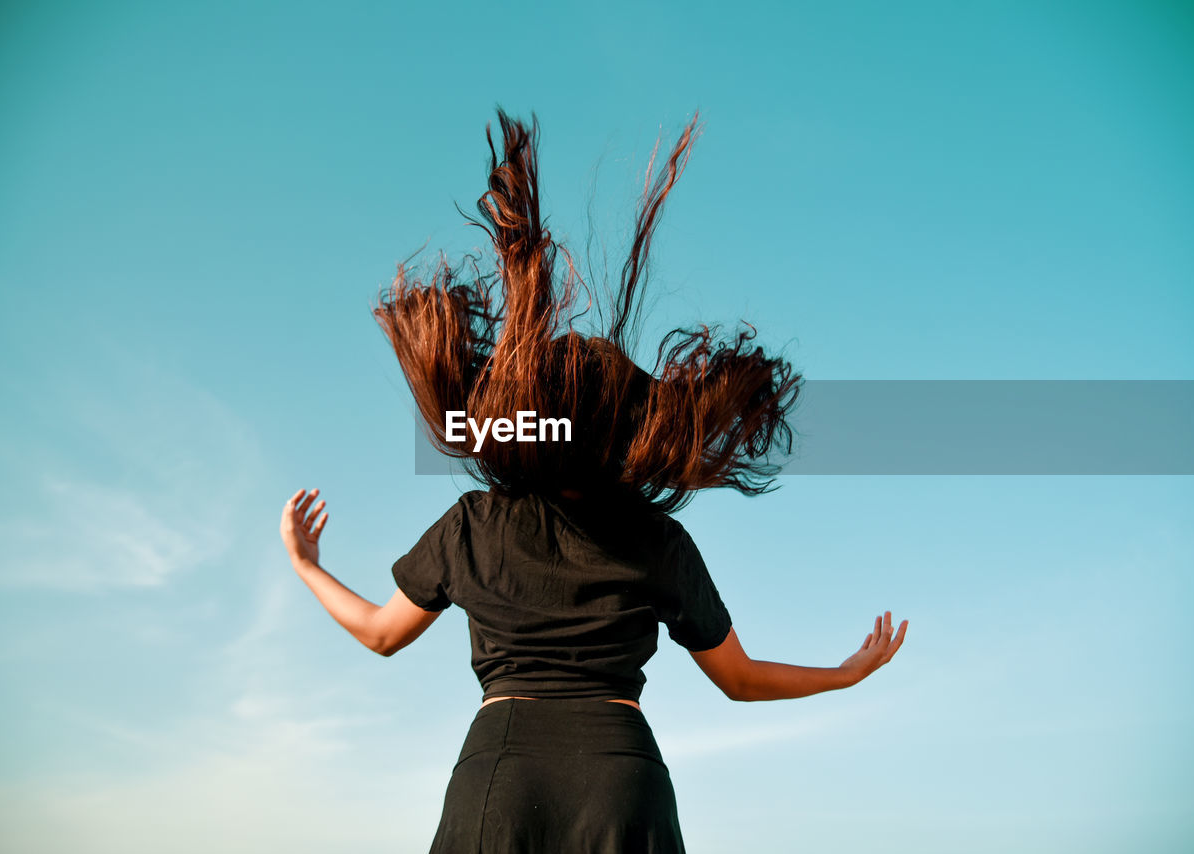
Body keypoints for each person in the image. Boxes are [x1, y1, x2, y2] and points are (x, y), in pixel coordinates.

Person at [279, 107, 908, 853]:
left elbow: (382, 636)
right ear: (628, 426)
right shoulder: (658, 540)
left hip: (499, 778)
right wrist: (844, 674)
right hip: (622, 778)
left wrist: (307, 568)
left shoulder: (475, 524)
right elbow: (738, 680)